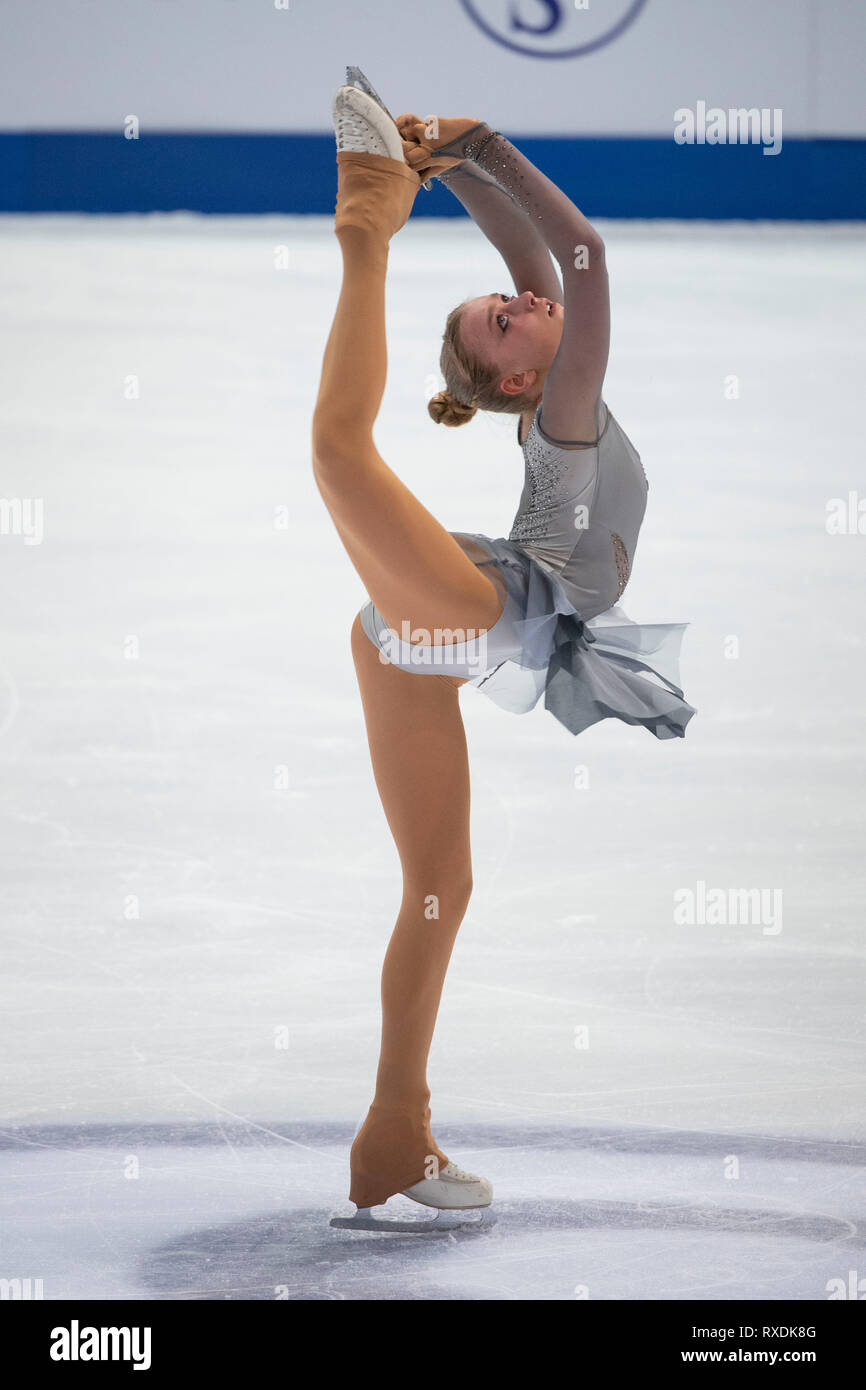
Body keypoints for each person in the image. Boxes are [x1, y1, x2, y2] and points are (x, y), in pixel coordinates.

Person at [313, 76, 695, 1224]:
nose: (512, 298)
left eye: (500, 304)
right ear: (521, 375)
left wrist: (469, 166)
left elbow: (541, 268)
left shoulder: (546, 385)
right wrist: (474, 148)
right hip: (473, 606)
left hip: (409, 642)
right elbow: (576, 256)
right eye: (499, 315)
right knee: (338, 453)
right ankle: (362, 225)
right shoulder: (563, 396)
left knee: (440, 886)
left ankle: (394, 1132)